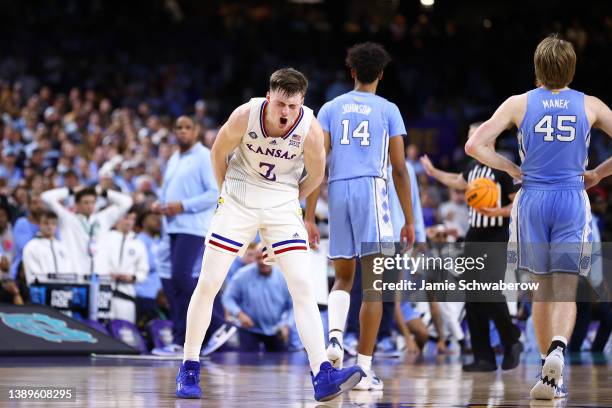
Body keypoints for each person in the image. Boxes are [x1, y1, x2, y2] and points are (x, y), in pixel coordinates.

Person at [176, 68, 364, 402]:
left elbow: (317, 176)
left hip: (281, 201)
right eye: (280, 104)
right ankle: (189, 365)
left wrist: (290, 202)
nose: (286, 112)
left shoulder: (311, 129)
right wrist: (225, 196)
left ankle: (321, 372)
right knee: (209, 282)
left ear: (302, 102)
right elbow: (218, 153)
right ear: (269, 98)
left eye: (292, 106)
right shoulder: (244, 116)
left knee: (303, 286)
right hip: (239, 195)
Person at [465, 35, 612, 399]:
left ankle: (547, 366)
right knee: (565, 286)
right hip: (571, 198)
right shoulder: (589, 105)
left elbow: (473, 146)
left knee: (540, 288)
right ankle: (559, 350)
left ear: (536, 68)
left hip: (531, 198)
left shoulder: (519, 104)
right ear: (572, 68)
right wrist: (600, 173)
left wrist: (511, 166)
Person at [307, 42, 415, 391]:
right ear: (380, 74)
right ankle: (364, 370)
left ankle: (335, 338)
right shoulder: (388, 110)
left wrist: (309, 217)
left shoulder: (330, 108)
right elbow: (399, 169)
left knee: (342, 277)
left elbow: (317, 165)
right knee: (374, 290)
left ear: (352, 72)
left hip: (337, 190)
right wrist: (409, 220)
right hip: (371, 190)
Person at [421, 123, 523, 372]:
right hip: (474, 236)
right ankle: (483, 357)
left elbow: (519, 203)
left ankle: (512, 340)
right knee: (473, 297)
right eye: (468, 138)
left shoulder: (503, 168)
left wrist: (498, 211)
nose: (470, 143)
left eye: (474, 137)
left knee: (489, 292)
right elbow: (458, 181)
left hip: (497, 235)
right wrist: (434, 173)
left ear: (490, 140)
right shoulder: (473, 167)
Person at [153, 116, 220, 349]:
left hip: (193, 227)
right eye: (178, 127)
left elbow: (214, 193)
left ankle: (216, 321)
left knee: (182, 278)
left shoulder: (203, 157)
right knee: (176, 282)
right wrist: (159, 204)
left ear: (196, 131)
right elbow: (167, 190)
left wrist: (182, 205)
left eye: (187, 128)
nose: (182, 131)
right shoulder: (174, 158)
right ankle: (181, 339)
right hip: (172, 226)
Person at [41, 185, 133, 275]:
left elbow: (127, 202)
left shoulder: (103, 218)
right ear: (76, 204)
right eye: (86, 202)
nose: (90, 206)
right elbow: (46, 198)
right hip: (76, 274)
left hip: (99, 275)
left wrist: (103, 192)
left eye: (92, 202)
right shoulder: (67, 219)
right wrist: (71, 191)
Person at [222, 245, 293, 352]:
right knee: (245, 364)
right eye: (259, 258)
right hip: (250, 330)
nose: (262, 261)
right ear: (254, 258)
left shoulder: (284, 277)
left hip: (277, 330)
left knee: (281, 363)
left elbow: (293, 306)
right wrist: (239, 314)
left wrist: (287, 325)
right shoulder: (242, 275)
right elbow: (227, 298)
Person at [96, 208, 149, 323]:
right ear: (117, 218)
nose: (129, 222)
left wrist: (133, 277)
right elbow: (96, 262)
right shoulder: (104, 238)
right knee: (101, 329)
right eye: (126, 218)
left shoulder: (138, 244)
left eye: (132, 219)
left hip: (126, 295)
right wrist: (107, 274)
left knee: (124, 331)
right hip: (103, 292)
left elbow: (143, 271)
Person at [22, 210, 77, 284]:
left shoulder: (62, 247)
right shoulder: (31, 247)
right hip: (43, 291)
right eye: (46, 223)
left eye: (53, 223)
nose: (50, 226)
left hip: (64, 291)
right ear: (39, 224)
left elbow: (69, 271)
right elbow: (32, 276)